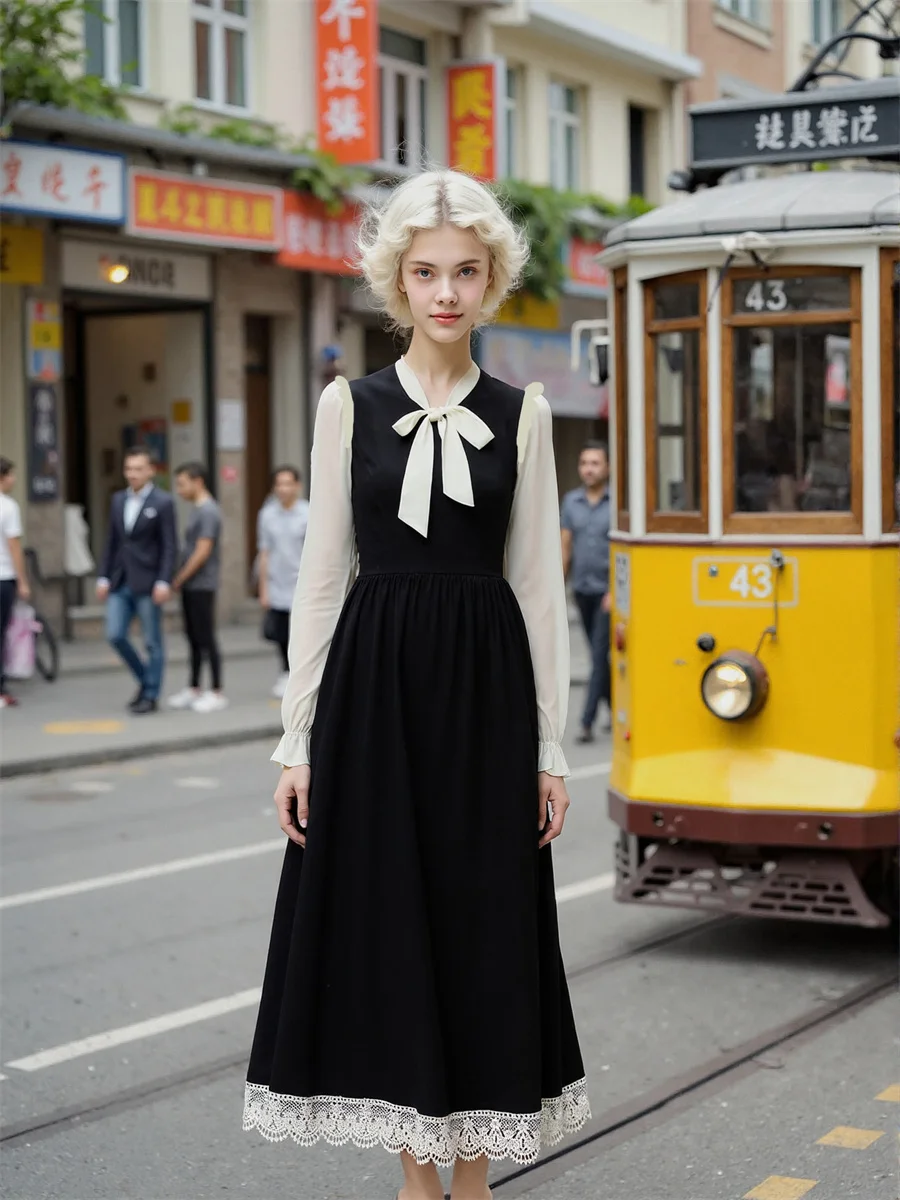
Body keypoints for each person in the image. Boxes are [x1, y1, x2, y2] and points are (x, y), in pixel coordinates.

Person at [243, 170, 589, 1200]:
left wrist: (547, 747)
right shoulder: (348, 404)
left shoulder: (523, 413)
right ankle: (415, 1184)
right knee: (389, 928)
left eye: (466, 273)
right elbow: (319, 580)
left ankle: (471, 1187)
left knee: (484, 928)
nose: (446, 291)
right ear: (398, 279)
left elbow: (534, 587)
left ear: (492, 282)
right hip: (375, 694)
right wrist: (298, 739)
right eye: (427, 271)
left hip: (484, 696)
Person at [96, 446, 177, 715]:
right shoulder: (118, 499)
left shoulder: (163, 502)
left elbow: (169, 546)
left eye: (138, 469)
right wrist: (104, 576)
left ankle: (150, 695)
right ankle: (146, 680)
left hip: (149, 581)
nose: (133, 474)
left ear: (151, 470)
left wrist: (164, 581)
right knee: (115, 634)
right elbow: (112, 541)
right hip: (120, 579)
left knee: (152, 641)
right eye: (129, 469)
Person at [560, 442, 612, 743]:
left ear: (606, 467)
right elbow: (565, 546)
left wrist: (617, 592)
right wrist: (560, 585)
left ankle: (586, 721)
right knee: (598, 655)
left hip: (607, 593)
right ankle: (618, 707)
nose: (588, 469)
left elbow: (622, 550)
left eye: (594, 463)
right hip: (581, 589)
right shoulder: (571, 502)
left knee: (597, 654)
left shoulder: (616, 503)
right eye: (584, 463)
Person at [169, 462, 227, 713]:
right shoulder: (197, 510)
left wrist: (179, 578)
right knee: (193, 637)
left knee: (206, 637)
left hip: (202, 584)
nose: (179, 489)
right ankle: (194, 687)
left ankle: (216, 690)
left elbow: (202, 551)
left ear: (198, 481)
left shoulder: (208, 512)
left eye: (182, 484)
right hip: (193, 585)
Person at [256, 466, 309, 698]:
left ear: (297, 486)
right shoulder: (267, 515)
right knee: (280, 633)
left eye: (289, 484)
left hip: (301, 582)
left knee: (300, 631)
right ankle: (285, 671)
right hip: (277, 582)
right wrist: (263, 588)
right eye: (279, 484)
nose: (284, 489)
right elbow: (264, 552)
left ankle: (300, 674)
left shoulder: (308, 513)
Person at [0, 458, 31, 709]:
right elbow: (14, 548)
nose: (14, 480)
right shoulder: (8, 507)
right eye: (11, 475)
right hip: (3, 577)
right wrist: (23, 581)